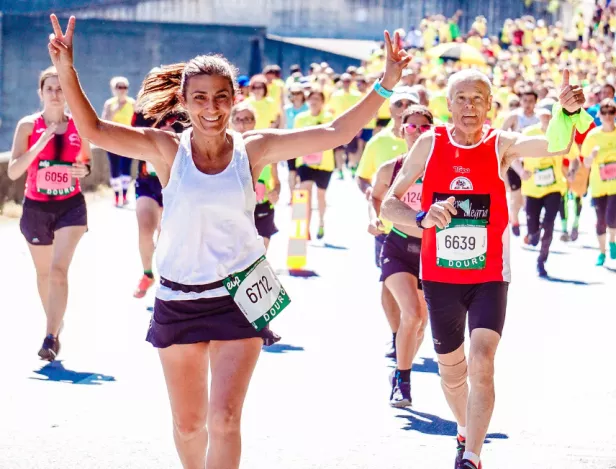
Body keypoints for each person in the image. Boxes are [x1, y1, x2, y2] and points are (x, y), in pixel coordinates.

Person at [47, 15, 409, 469]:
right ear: (184, 101)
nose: (212, 108)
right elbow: (96, 132)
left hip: (239, 296)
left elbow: (334, 133)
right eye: (199, 98)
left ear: (235, 98)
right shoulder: (166, 149)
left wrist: (387, 83)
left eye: (221, 97)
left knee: (225, 419)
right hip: (178, 299)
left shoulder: (253, 148)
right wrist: (66, 69)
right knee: (188, 425)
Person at [381, 68, 584, 469]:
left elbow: (553, 146)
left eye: (478, 98)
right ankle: (464, 429)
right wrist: (423, 216)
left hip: (490, 274)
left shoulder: (499, 144)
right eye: (461, 98)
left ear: (490, 106)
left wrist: (566, 114)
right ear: (448, 105)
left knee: (483, 359)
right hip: (440, 276)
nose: (469, 106)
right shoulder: (429, 143)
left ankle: (471, 456)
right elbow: (389, 204)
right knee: (452, 372)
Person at [7, 65, 92, 360]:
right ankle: (56, 322)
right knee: (44, 274)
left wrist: (84, 169)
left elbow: (87, 163)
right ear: (40, 93)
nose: (56, 94)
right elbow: (14, 170)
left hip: (70, 207)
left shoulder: (80, 126)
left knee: (58, 270)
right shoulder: (28, 126)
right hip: (36, 207)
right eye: (50, 89)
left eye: (60, 89)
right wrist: (39, 145)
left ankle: (50, 337)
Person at [370, 105, 433, 407]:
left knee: (419, 325)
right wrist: (375, 219)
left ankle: (399, 370)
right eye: (411, 127)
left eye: (424, 127)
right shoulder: (390, 169)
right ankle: (403, 381)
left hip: (432, 253)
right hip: (397, 247)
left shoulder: (442, 169)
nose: (417, 132)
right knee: (413, 314)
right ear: (401, 130)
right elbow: (376, 196)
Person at [356, 86, 418, 360]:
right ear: (390, 110)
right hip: (387, 226)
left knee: (417, 290)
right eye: (398, 104)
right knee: (387, 284)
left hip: (420, 228)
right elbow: (362, 177)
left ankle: (412, 330)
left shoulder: (430, 141)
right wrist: (372, 196)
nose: (403, 107)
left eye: (410, 103)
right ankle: (397, 334)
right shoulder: (378, 143)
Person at [131, 71, 185, 298]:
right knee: (145, 227)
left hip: (176, 182)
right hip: (147, 179)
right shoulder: (141, 111)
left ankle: (168, 276)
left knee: (168, 233)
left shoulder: (183, 111)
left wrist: (172, 136)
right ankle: (147, 273)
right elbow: (130, 139)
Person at [513, 108, 571, 276]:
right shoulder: (529, 132)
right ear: (538, 115)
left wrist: (572, 171)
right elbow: (513, 155)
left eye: (550, 114)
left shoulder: (561, 132)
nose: (547, 117)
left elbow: (573, 156)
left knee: (549, 224)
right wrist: (521, 171)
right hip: (532, 188)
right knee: (533, 233)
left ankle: (541, 260)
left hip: (554, 186)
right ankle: (533, 235)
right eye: (544, 114)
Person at [231, 102, 281, 251]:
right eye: (238, 119)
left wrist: (276, 192)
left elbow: (277, 182)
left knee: (260, 258)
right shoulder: (224, 150)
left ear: (254, 122)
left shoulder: (266, 149)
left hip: (263, 209)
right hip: (235, 212)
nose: (243, 124)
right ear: (231, 122)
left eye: (247, 119)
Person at [294, 89, 335, 240]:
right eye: (311, 99)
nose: (314, 101)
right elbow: (295, 138)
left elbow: (331, 136)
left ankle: (321, 223)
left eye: (317, 99)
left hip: (324, 163)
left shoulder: (328, 117)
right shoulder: (300, 118)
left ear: (323, 102)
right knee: (304, 192)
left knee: (321, 195)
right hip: (304, 161)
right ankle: (304, 228)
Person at [581, 98, 616, 266]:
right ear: (599, 115)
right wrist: (591, 156)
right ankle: (602, 252)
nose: (608, 116)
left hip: (615, 185)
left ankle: (612, 241)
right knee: (601, 219)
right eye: (604, 113)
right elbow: (585, 163)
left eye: (611, 112)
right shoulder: (593, 136)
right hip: (598, 184)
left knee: (612, 217)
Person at [501, 88, 540, 236]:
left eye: (531, 101)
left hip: (534, 161)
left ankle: (532, 223)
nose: (528, 104)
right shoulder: (514, 117)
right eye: (525, 101)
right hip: (516, 161)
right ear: (521, 101)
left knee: (531, 196)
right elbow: (501, 134)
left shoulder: (539, 118)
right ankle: (515, 220)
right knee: (516, 195)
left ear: (535, 102)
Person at [102, 76, 135, 207]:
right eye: (119, 87)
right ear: (113, 89)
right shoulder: (109, 104)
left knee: (126, 168)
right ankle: (116, 197)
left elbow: (137, 122)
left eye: (124, 87)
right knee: (114, 168)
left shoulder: (132, 103)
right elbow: (104, 122)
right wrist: (115, 110)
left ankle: (125, 195)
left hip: (128, 140)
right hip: (112, 141)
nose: (122, 90)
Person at [283, 84, 309, 203]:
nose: (296, 96)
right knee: (291, 171)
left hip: (304, 143)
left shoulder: (307, 108)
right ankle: (292, 195)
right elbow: (283, 125)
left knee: (302, 171)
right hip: (290, 143)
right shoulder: (287, 109)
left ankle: (301, 196)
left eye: (298, 93)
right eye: (293, 93)